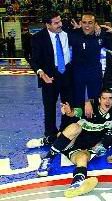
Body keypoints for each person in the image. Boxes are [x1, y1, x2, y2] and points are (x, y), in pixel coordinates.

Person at [35, 89, 112, 197]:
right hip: (73, 141)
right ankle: (47, 159)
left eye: (110, 98)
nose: (107, 101)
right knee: (73, 128)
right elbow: (74, 112)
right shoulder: (88, 109)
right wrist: (69, 111)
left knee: (82, 158)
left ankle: (76, 184)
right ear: (99, 100)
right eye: (104, 98)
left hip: (84, 149)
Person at [27, 11, 74, 148]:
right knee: (49, 106)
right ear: (47, 25)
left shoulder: (68, 30)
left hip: (67, 74)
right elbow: (33, 60)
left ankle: (66, 130)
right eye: (56, 23)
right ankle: (50, 134)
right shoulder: (38, 38)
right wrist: (41, 73)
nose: (60, 24)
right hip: (49, 76)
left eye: (60, 21)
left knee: (68, 104)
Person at [69, 12, 105, 117]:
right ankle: (77, 121)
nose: (87, 25)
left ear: (95, 24)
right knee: (77, 98)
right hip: (77, 72)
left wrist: (102, 28)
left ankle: (95, 120)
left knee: (95, 98)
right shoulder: (73, 34)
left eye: (90, 23)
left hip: (94, 72)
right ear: (80, 23)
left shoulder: (101, 34)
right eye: (84, 22)